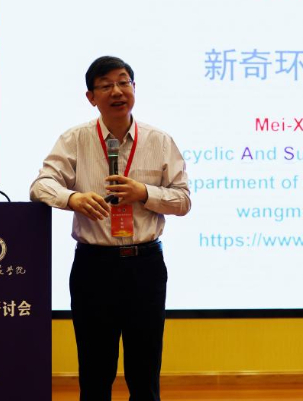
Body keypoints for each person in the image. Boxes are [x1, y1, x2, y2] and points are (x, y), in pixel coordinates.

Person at [30, 55, 191, 401]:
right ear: (91, 97)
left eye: (123, 82)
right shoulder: (75, 139)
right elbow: (41, 185)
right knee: (95, 371)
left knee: (145, 371)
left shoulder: (160, 141)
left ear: (134, 88)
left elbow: (182, 200)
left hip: (145, 266)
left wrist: (144, 193)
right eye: (106, 85)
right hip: (94, 268)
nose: (117, 91)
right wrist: (72, 198)